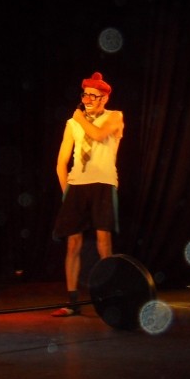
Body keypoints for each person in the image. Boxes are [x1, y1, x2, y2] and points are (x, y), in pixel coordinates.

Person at [52, 71, 124, 317]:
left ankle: (110, 297)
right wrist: (67, 191)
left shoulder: (114, 117)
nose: (88, 99)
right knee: (73, 243)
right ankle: (73, 301)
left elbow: (98, 134)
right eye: (85, 95)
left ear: (104, 98)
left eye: (94, 96)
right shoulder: (73, 123)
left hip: (103, 183)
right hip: (77, 185)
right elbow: (61, 162)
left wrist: (80, 118)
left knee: (104, 242)